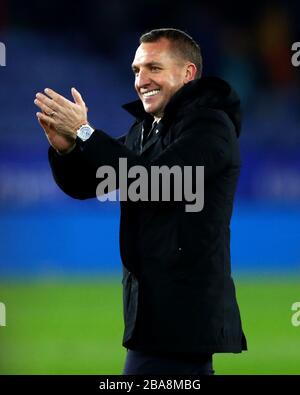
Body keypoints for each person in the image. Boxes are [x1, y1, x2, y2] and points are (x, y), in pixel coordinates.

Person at [34, 28, 247, 375]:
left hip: (182, 319)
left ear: (187, 73)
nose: (141, 80)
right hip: (152, 317)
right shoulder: (145, 130)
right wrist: (68, 147)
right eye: (136, 70)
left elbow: (156, 183)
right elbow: (90, 182)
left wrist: (87, 133)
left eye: (154, 68)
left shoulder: (211, 126)